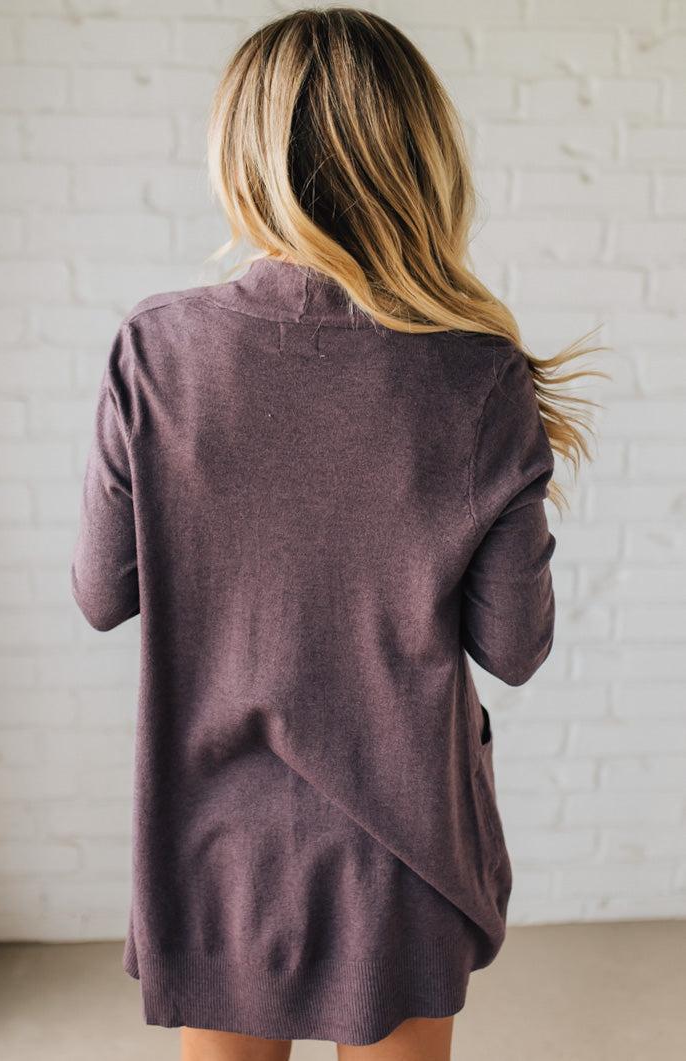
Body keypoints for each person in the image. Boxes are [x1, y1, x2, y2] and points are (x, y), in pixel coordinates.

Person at [70, 7, 603, 1060]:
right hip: (404, 846)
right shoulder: (477, 374)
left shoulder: (155, 350)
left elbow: (101, 592)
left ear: (241, 159)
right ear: (420, 161)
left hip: (215, 841)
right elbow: (513, 647)